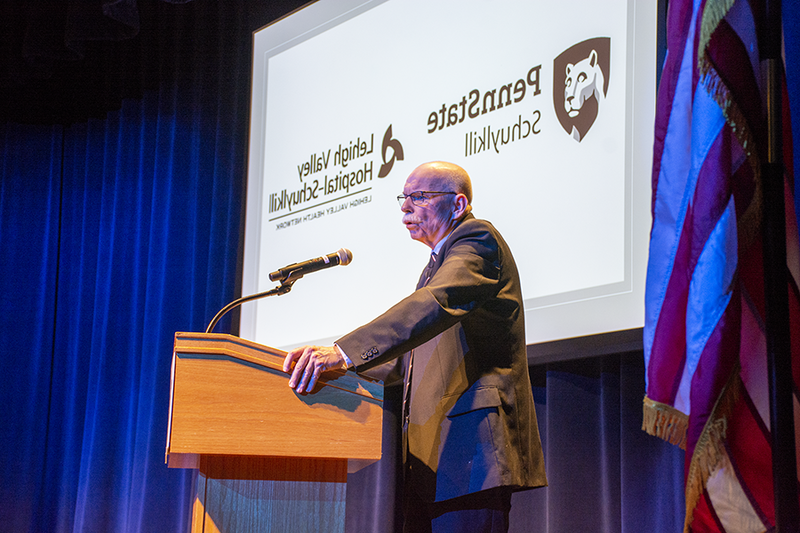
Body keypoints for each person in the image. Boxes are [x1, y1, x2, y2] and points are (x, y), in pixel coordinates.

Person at [283, 161, 547, 533]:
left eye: (420, 197)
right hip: (431, 465)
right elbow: (409, 358)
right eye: (403, 198)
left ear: (457, 205)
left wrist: (342, 352)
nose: (406, 207)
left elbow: (432, 304)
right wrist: (336, 369)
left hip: (472, 456)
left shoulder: (478, 241)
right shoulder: (435, 265)